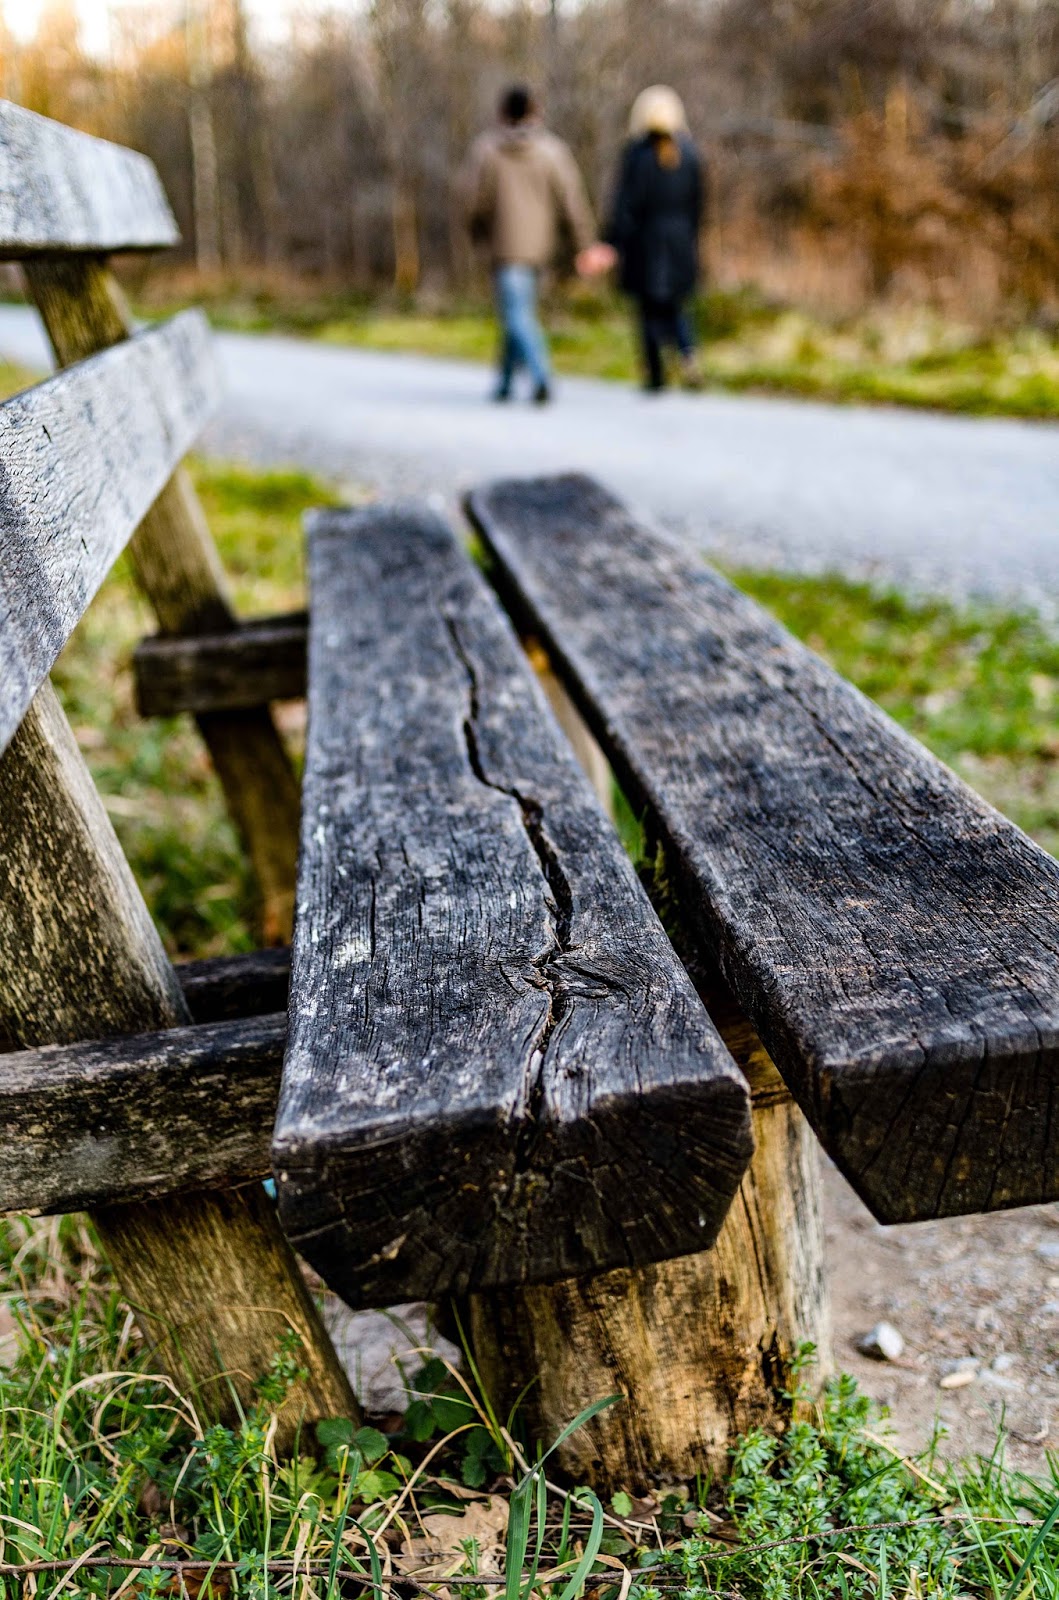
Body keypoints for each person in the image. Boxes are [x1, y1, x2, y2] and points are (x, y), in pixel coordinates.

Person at [465, 84, 610, 404]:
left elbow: (475, 203)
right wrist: (584, 243)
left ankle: (540, 374)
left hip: (505, 247)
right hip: (541, 248)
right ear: (535, 112)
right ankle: (504, 382)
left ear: (502, 113)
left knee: (516, 314)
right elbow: (572, 202)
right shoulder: (553, 152)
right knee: (519, 312)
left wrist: (476, 235)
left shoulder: (487, 151)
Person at [605, 85, 705, 393]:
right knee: (676, 307)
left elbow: (625, 205)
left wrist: (613, 241)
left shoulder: (637, 156)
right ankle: (688, 356)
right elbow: (699, 205)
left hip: (645, 244)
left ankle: (655, 373)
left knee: (648, 311)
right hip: (680, 243)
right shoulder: (691, 155)